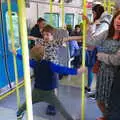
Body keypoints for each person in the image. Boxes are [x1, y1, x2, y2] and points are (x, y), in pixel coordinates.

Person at [15, 44, 86, 120]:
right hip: (49, 93)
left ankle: (19, 113)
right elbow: (62, 69)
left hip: (37, 91)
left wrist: (16, 54)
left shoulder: (34, 63)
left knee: (27, 103)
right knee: (60, 108)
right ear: (44, 54)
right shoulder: (49, 65)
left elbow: (25, 59)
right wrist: (77, 71)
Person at [86, 10, 120, 120]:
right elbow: (90, 42)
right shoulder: (106, 34)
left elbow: (116, 60)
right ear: (114, 19)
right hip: (103, 72)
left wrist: (100, 55)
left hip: (116, 75)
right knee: (100, 100)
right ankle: (106, 117)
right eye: (119, 18)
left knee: (112, 103)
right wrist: (90, 27)